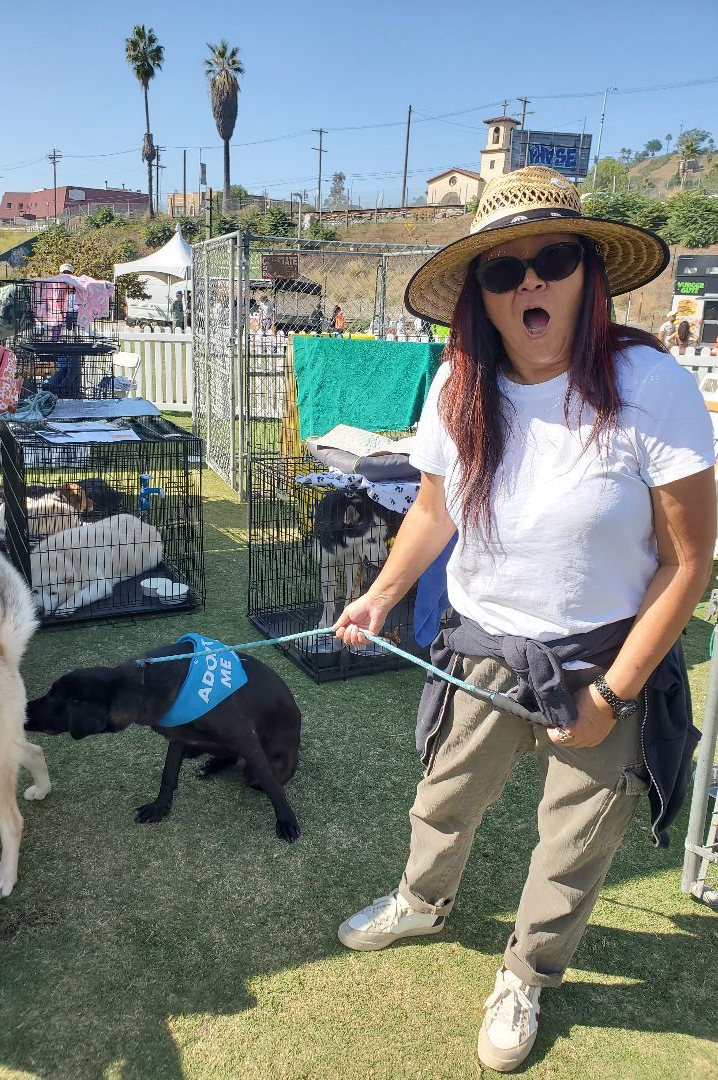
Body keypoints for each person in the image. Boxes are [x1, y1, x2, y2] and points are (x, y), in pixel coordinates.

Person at [334, 166, 715, 1073]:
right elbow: (434, 512)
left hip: (599, 658)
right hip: (481, 646)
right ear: (483, 297)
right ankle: (423, 901)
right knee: (444, 795)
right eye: (505, 272)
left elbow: (689, 561)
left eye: (551, 258)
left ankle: (528, 973)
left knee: (575, 837)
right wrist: (383, 593)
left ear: (589, 271)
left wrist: (615, 695)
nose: (530, 282)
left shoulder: (651, 386)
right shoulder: (458, 387)